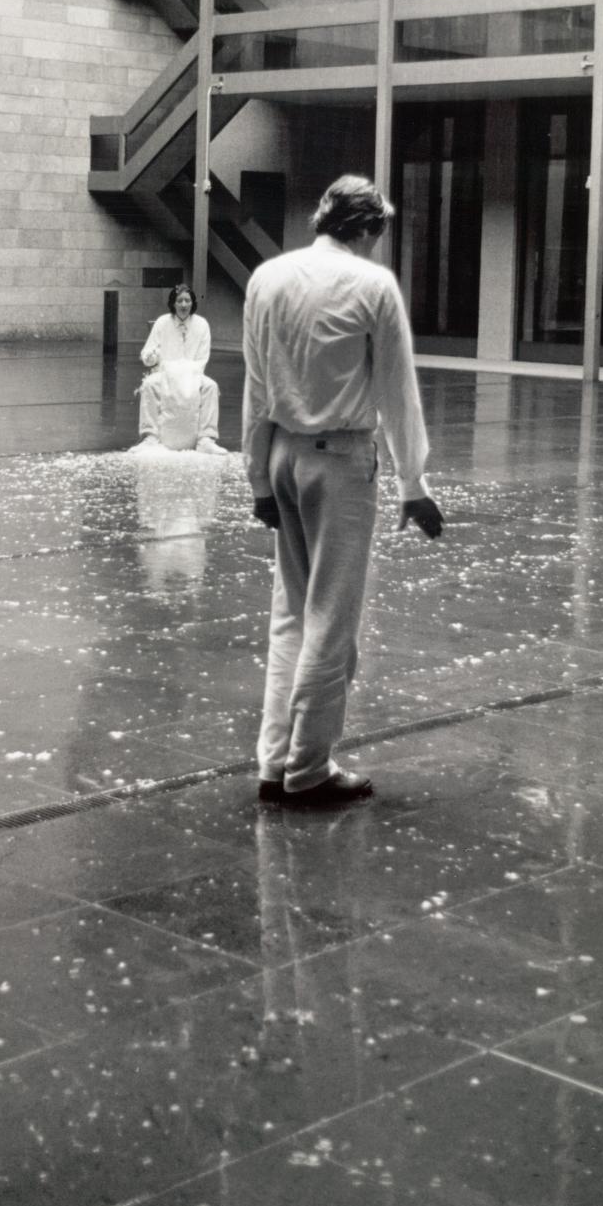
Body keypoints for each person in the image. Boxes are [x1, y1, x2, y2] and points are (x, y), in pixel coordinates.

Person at [242, 175, 444, 808]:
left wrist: (258, 478)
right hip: (341, 462)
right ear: (368, 227)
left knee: (291, 614)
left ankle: (275, 761)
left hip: (282, 454)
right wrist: (413, 481)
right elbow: (397, 390)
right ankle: (308, 768)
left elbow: (256, 389)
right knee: (332, 620)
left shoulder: (267, 278)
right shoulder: (372, 286)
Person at [137, 284, 226, 453]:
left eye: (187, 300)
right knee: (149, 384)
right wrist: (151, 357)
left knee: (211, 386)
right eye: (179, 301)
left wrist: (184, 373)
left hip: (192, 375)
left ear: (193, 303)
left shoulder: (202, 324)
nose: (184, 305)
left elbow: (202, 359)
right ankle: (150, 437)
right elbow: (147, 354)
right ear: (173, 303)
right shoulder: (162, 322)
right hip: (165, 374)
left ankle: (206, 438)